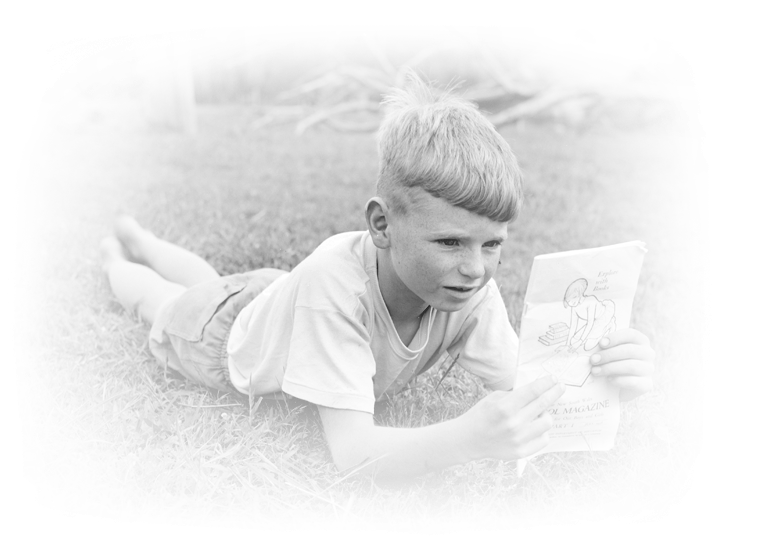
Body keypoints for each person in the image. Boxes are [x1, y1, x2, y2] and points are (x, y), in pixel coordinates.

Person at [100, 71, 655, 480]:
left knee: (213, 280)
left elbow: (528, 386)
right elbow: (352, 450)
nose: (475, 268)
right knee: (164, 300)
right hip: (220, 337)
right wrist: (467, 439)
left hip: (280, 297)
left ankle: (142, 238)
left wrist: (605, 387)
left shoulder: (468, 289)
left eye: (492, 245)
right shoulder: (336, 288)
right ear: (382, 224)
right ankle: (118, 254)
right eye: (450, 242)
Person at [561, 278, 617, 353]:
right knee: (572, 341)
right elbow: (573, 326)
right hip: (594, 321)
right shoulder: (574, 307)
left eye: (573, 298)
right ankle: (590, 336)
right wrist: (567, 345)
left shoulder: (590, 301)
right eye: (568, 301)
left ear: (579, 294)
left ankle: (609, 325)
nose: (570, 303)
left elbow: (590, 323)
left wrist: (580, 341)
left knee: (587, 346)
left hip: (604, 316)